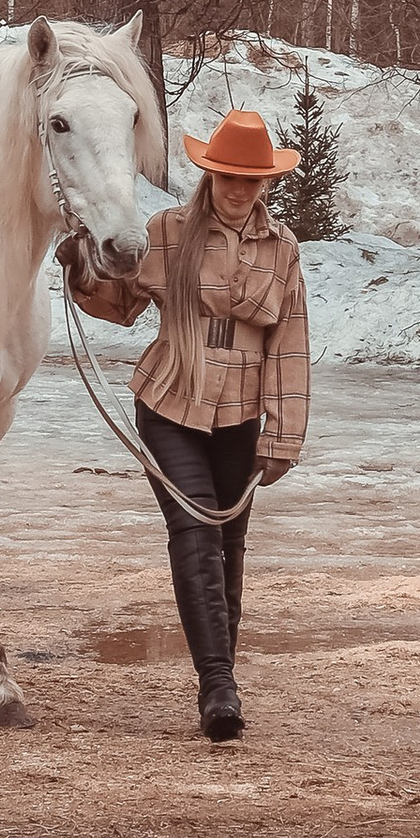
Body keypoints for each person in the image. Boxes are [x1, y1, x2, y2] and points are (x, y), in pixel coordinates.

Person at [59, 105, 310, 743]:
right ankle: (218, 686)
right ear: (209, 175)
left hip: (241, 416)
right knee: (195, 528)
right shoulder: (167, 233)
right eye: (228, 176)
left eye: (250, 181)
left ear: (264, 185)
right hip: (170, 403)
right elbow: (116, 305)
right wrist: (81, 266)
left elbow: (290, 345)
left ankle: (219, 676)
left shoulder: (282, 251)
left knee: (229, 544)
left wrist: (282, 435)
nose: (237, 190)